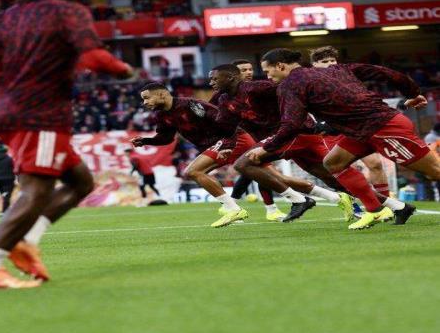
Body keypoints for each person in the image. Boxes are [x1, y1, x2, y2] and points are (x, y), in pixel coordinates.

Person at [0, 0, 132, 289]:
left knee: (80, 183)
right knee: (37, 190)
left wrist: (3, 79)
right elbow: (95, 58)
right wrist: (124, 70)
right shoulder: (67, 11)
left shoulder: (3, 18)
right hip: (39, 114)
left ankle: (27, 240)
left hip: (8, 111)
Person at [253, 48, 439, 229]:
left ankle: (384, 208)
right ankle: (375, 210)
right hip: (360, 131)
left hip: (383, 127)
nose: (268, 76)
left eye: (268, 71)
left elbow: (291, 124)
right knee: (333, 163)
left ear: (280, 66)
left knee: (434, 171)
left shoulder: (290, 84)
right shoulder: (337, 69)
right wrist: (413, 93)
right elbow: (385, 72)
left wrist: (266, 148)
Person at [210, 64, 358, 223]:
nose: (211, 83)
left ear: (230, 77)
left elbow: (297, 93)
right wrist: (226, 145)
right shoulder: (224, 99)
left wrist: (319, 118)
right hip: (281, 140)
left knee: (244, 164)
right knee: (326, 176)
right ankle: (365, 203)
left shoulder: (257, 88)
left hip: (296, 133)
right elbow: (227, 127)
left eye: (215, 79)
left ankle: (297, 200)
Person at [131, 82, 249, 227]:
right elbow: (166, 138)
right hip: (220, 144)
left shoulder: (191, 105)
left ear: (161, 94)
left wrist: (228, 144)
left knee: (193, 171)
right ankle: (247, 209)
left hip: (232, 138)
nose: (144, 102)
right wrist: (145, 141)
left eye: (147, 98)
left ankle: (233, 209)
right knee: (261, 173)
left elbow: (225, 121)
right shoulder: (162, 115)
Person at [310, 46, 390, 198]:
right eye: (324, 61)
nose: (330, 64)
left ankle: (389, 203)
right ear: (315, 65)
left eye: (332, 60)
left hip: (353, 129)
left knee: (375, 163)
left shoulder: (347, 76)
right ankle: (356, 203)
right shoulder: (308, 82)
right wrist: (319, 123)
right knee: (341, 170)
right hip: (330, 133)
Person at [226, 59, 286, 221]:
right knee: (257, 168)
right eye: (243, 70)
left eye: (250, 69)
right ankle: (271, 209)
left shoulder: (260, 87)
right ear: (232, 75)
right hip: (247, 137)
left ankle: (231, 205)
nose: (248, 73)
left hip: (269, 135)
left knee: (252, 170)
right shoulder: (225, 94)